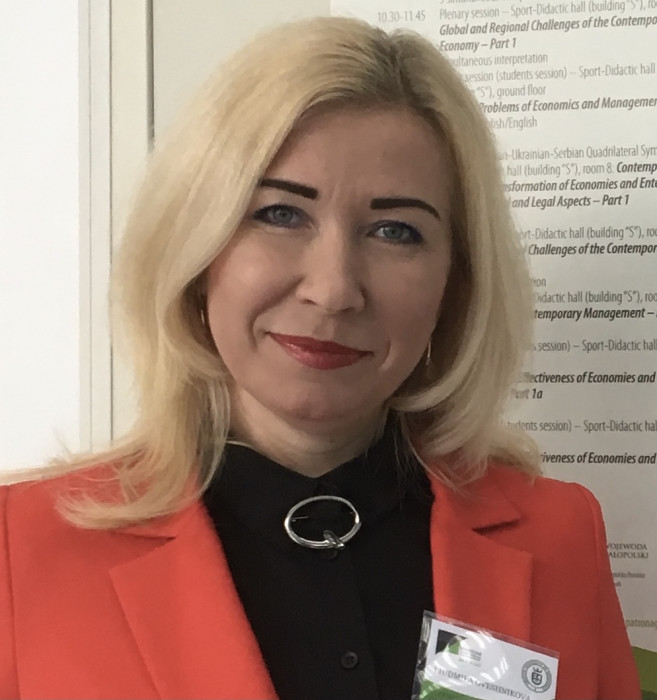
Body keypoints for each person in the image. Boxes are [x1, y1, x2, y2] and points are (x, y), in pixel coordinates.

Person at [0, 16, 641, 700]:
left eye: (394, 231)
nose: (333, 289)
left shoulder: (558, 536)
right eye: (280, 214)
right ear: (196, 249)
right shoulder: (20, 549)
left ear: (455, 285)